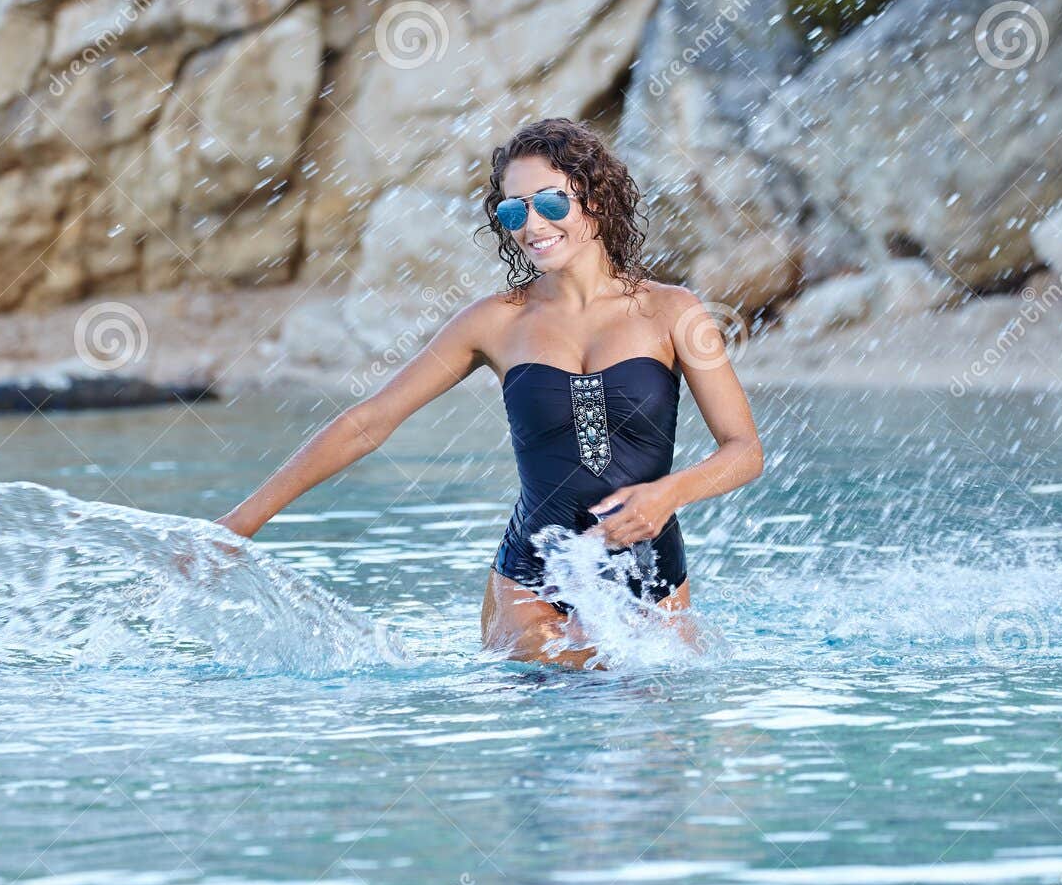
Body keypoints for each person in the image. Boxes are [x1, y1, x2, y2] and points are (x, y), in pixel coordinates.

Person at [214, 118, 763, 667]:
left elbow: (743, 450)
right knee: (574, 681)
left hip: (650, 571)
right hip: (532, 578)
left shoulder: (674, 312)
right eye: (512, 210)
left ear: (594, 199)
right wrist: (239, 525)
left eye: (549, 203)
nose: (531, 225)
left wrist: (669, 494)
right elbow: (370, 421)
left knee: (653, 714)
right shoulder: (493, 324)